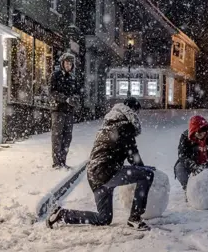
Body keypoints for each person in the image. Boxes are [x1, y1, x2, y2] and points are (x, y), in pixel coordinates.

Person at [46, 97, 154, 231]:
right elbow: (133, 157)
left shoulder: (108, 124)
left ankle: (63, 214)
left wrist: (140, 167)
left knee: (104, 219)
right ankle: (135, 218)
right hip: (107, 172)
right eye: (137, 113)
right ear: (132, 111)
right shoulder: (124, 126)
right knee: (147, 175)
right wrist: (144, 169)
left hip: (94, 175)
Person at [50, 52, 80, 169]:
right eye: (67, 63)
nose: (69, 65)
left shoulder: (73, 78)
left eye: (71, 63)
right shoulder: (55, 75)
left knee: (67, 137)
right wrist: (65, 99)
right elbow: (52, 92)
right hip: (58, 110)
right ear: (62, 63)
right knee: (57, 136)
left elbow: (78, 92)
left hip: (69, 112)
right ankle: (56, 162)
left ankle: (63, 161)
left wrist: (75, 99)